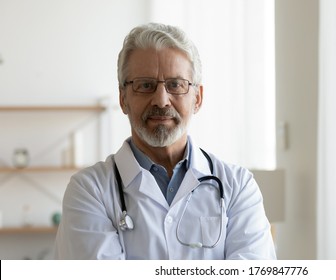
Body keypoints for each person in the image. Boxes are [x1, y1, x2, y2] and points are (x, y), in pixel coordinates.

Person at [54, 23, 276, 260]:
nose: (161, 100)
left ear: (197, 98)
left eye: (175, 85)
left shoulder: (238, 186)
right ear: (123, 98)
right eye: (145, 85)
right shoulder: (89, 190)